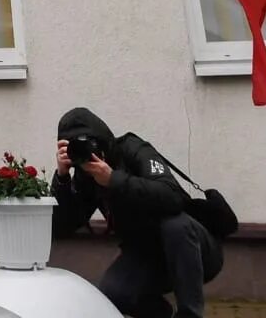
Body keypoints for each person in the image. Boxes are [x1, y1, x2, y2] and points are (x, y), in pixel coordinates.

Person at [51, 107, 223, 318]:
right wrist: (62, 177)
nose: (87, 153)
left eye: (89, 144)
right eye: (76, 147)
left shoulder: (132, 149)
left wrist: (113, 180)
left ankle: (190, 314)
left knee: (175, 225)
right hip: (146, 255)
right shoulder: (86, 175)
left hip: (195, 250)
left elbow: (171, 196)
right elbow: (63, 226)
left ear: (102, 141)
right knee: (113, 293)